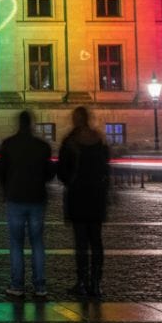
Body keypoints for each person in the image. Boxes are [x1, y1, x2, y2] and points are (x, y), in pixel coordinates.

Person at [0, 111, 55, 299]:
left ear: (18, 124)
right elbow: (50, 172)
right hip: (37, 198)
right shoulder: (42, 146)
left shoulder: (8, 144)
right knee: (37, 243)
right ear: (32, 124)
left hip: (15, 197)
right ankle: (40, 286)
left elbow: (0, 172)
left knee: (16, 244)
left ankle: (17, 285)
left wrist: (5, 190)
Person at [56, 106, 111, 300]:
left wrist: (71, 181)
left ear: (75, 119)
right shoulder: (100, 140)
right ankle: (96, 283)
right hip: (96, 196)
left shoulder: (70, 141)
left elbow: (61, 171)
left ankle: (82, 282)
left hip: (78, 196)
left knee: (81, 242)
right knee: (96, 241)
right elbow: (107, 168)